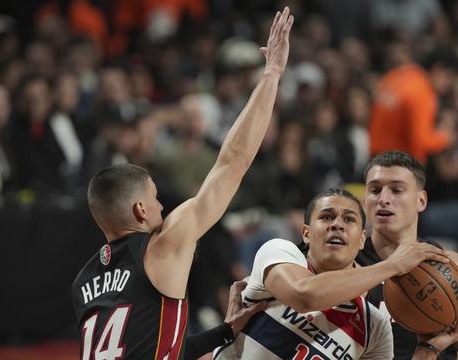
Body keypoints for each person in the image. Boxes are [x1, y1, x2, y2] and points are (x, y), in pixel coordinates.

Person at [71, 7, 294, 359]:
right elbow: (232, 163)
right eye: (156, 198)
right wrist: (271, 75)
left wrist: (225, 330)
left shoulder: (83, 282)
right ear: (140, 210)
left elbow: (156, 349)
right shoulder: (161, 247)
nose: (163, 206)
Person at [214, 188, 458, 359]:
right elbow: (305, 296)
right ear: (306, 234)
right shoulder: (278, 253)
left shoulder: (374, 326)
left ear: (361, 239)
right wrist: (393, 265)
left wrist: (426, 352)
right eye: (326, 217)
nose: (337, 224)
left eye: (349, 220)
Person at [356, 150, 458, 359]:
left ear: (421, 201)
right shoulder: (346, 266)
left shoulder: (448, 264)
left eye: (397, 190)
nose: (383, 199)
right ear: (364, 202)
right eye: (375, 190)